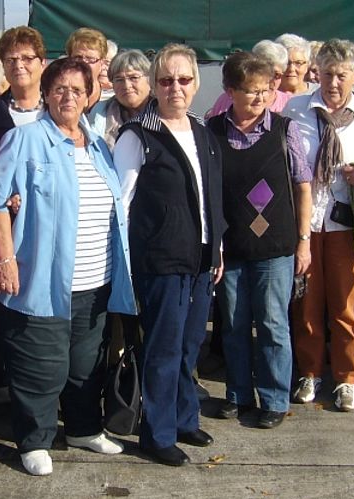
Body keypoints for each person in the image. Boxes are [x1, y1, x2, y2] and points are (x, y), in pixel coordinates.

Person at [0, 56, 136, 476]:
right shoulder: (25, 140)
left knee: (85, 363)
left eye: (77, 88)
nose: (68, 96)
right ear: (47, 95)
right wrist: (6, 258)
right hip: (42, 277)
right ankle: (33, 439)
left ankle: (83, 428)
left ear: (91, 95)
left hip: (97, 278)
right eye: (59, 89)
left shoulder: (99, 145)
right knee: (41, 363)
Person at [114, 43, 227, 466]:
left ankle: (184, 418)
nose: (175, 87)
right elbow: (121, 205)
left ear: (196, 83)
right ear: (153, 86)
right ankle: (156, 434)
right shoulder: (137, 135)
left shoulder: (202, 130)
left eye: (183, 79)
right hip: (160, 261)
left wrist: (218, 247)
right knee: (162, 348)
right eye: (165, 80)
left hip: (201, 259)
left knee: (189, 345)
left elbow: (211, 195)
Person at [282, 39, 354, 412]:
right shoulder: (296, 110)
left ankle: (346, 378)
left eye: (341, 75)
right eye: (327, 73)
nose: (333, 82)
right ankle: (309, 372)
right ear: (317, 73)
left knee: (347, 305)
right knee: (307, 302)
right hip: (306, 224)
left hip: (348, 224)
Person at [208, 52, 312, 429]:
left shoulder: (285, 131)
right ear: (230, 90)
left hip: (276, 248)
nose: (258, 98)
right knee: (233, 324)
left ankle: (274, 398)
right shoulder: (212, 130)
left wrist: (304, 241)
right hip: (231, 247)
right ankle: (237, 394)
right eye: (250, 91)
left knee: (272, 323)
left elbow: (303, 186)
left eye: (265, 90)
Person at [0, 26, 47, 404]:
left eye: (26, 58)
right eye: (10, 59)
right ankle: (1, 384)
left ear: (42, 63)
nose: (19, 66)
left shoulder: (57, 111)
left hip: (49, 228)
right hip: (0, 230)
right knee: (3, 307)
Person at [206, 40, 292, 119]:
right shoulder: (227, 99)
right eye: (262, 75)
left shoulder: (291, 104)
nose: (269, 80)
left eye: (276, 75)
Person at [88, 49, 152, 147]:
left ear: (149, 79)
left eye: (133, 78)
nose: (126, 85)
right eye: (119, 79)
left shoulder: (163, 109)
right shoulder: (101, 112)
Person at [66, 27, 109, 111]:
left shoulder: (110, 101)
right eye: (78, 57)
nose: (83, 63)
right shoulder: (59, 97)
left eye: (90, 58)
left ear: (102, 62)